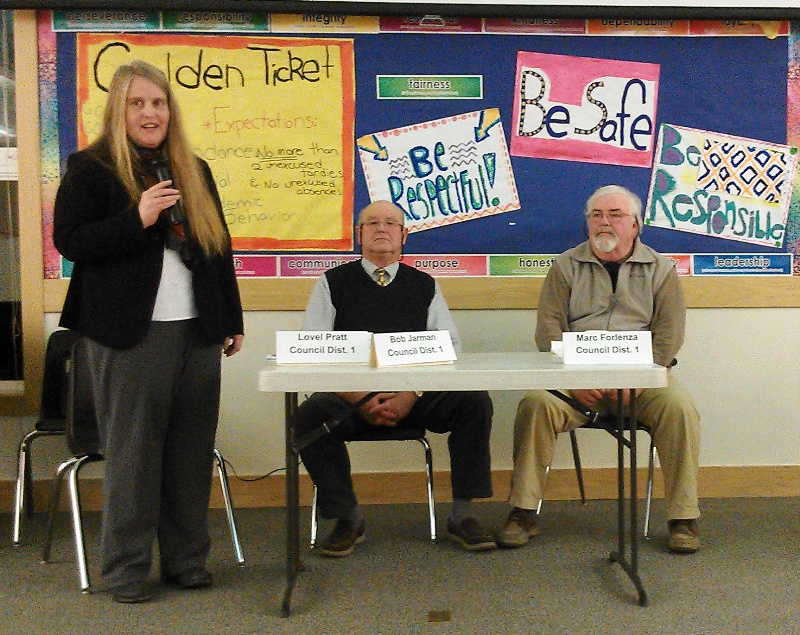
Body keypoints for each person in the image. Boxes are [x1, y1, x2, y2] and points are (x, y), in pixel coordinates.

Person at [53, 61, 244, 603]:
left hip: (198, 330)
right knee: (134, 455)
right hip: (129, 333)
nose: (149, 113)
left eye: (158, 103)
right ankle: (126, 570)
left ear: (170, 112)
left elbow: (217, 248)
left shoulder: (194, 168)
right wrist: (136, 218)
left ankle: (186, 562)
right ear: (119, 110)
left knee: (190, 451)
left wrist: (230, 320)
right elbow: (71, 240)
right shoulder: (91, 168)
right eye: (137, 103)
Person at [497, 185, 701, 554]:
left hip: (640, 383)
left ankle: (683, 518)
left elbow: (669, 336)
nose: (604, 222)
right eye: (596, 215)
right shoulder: (564, 266)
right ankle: (523, 512)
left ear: (636, 225)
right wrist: (574, 382)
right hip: (576, 383)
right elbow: (548, 331)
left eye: (615, 215)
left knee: (680, 408)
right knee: (534, 404)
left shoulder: (662, 268)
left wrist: (637, 379)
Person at [297, 200, 495, 556]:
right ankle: (348, 518)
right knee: (309, 416)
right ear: (359, 235)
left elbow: (449, 347)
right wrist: (359, 397)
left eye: (391, 223)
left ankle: (462, 515)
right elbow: (316, 350)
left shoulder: (425, 285)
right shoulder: (331, 283)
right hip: (352, 398)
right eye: (371, 223)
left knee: (474, 402)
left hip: (414, 396)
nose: (381, 229)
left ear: (404, 236)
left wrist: (410, 393)